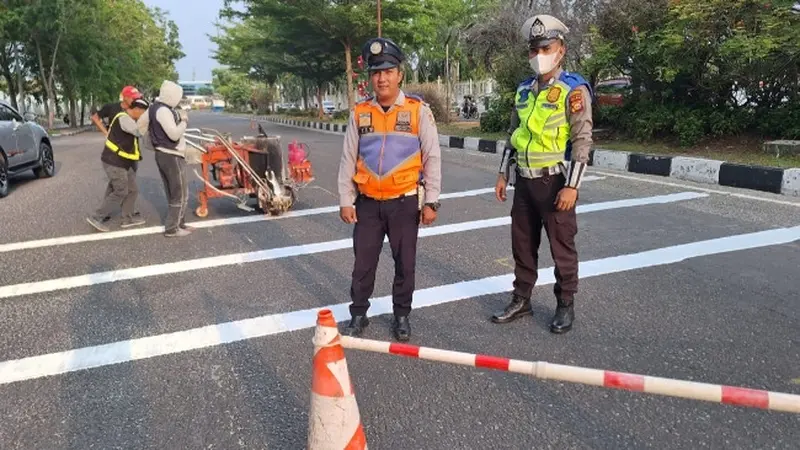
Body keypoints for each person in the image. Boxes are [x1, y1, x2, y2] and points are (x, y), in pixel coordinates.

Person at [491, 14, 593, 334]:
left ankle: (565, 304)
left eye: (545, 48)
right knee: (522, 244)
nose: (539, 56)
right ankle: (522, 299)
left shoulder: (572, 90)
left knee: (561, 247)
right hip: (524, 179)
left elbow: (582, 140)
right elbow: (514, 134)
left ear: (561, 49)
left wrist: (572, 187)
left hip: (554, 183)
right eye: (533, 50)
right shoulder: (523, 91)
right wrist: (502, 173)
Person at [337, 36, 442, 342]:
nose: (381, 78)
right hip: (368, 203)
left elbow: (432, 157)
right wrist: (346, 200)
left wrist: (431, 202)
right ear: (370, 77)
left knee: (404, 264)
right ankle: (358, 314)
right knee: (363, 263)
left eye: (388, 71)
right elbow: (348, 159)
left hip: (404, 202)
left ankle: (402, 316)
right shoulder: (360, 113)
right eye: (375, 72)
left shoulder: (417, 111)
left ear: (400, 74)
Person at [86, 98, 150, 232]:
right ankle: (97, 217)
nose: (144, 116)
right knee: (121, 191)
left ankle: (127, 218)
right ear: (137, 110)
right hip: (114, 162)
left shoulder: (130, 119)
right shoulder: (124, 118)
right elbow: (138, 132)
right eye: (143, 113)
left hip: (124, 161)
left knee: (132, 190)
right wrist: (148, 122)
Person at [148, 80, 193, 237]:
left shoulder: (156, 108)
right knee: (178, 192)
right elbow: (174, 134)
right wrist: (184, 121)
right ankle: (172, 228)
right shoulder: (163, 111)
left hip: (165, 154)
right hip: (170, 155)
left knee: (176, 191)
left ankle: (179, 223)